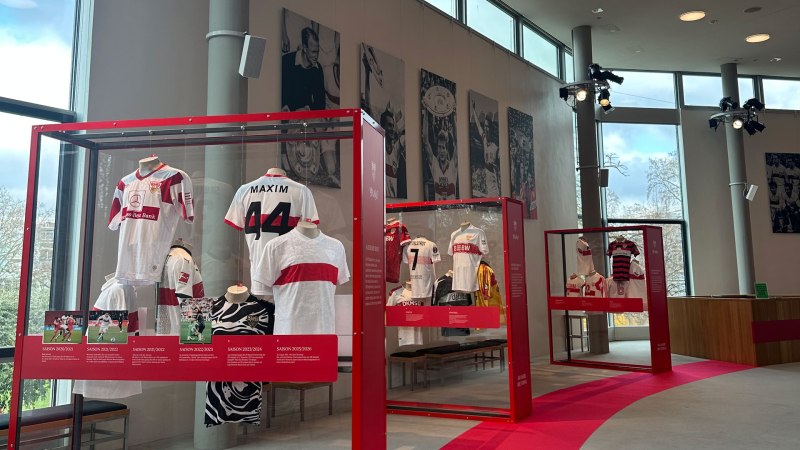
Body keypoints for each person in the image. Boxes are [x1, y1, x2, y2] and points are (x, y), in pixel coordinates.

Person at [281, 27, 325, 112]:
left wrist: (307, 109)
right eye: (313, 52)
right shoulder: (286, 62)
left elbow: (320, 105)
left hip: (306, 119)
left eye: (317, 52)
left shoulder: (317, 69)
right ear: (305, 48)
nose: (316, 56)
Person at [423, 111, 456, 200]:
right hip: (438, 211)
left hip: (451, 212)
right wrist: (426, 111)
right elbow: (425, 141)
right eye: (439, 147)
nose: (441, 151)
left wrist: (453, 116)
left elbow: (457, 143)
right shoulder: (434, 164)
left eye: (443, 148)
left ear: (447, 150)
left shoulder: (453, 165)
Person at [470, 101, 500, 197]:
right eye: (485, 126)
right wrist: (474, 110)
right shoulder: (485, 140)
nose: (486, 129)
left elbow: (498, 168)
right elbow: (479, 127)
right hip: (487, 176)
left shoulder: (495, 147)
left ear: (491, 129)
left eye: (488, 127)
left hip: (493, 178)